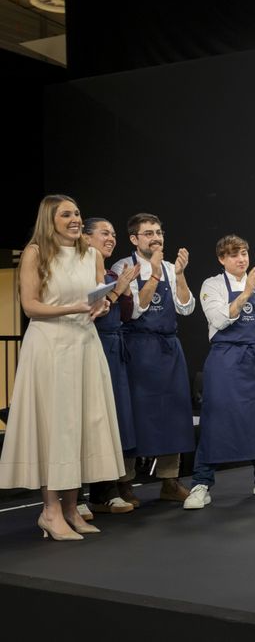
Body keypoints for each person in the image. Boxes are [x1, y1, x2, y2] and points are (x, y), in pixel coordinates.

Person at [0, 195, 123, 540]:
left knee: (80, 424)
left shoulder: (91, 253)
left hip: (84, 344)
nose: (74, 219)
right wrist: (74, 307)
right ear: (49, 219)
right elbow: (30, 306)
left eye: (77, 213)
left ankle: (71, 509)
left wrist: (100, 306)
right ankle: (50, 512)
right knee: (54, 427)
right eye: (66, 214)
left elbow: (98, 296)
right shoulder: (35, 252)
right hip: (50, 346)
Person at [184, 235, 255, 510]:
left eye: (244, 253)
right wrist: (246, 293)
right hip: (225, 358)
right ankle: (201, 483)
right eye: (234, 254)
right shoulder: (212, 285)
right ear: (221, 259)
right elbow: (219, 319)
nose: (241, 259)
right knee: (216, 419)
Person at [112, 212, 195, 503]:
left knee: (174, 414)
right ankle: (124, 482)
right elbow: (135, 309)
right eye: (148, 233)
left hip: (168, 348)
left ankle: (169, 480)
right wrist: (156, 272)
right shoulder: (123, 267)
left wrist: (180, 275)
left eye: (159, 232)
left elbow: (186, 307)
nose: (156, 238)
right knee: (134, 415)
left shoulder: (172, 267)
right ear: (134, 239)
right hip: (137, 348)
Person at [83, 217, 141, 515]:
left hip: (114, 349)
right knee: (90, 419)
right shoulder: (79, 271)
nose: (111, 238)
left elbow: (126, 315)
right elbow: (92, 311)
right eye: (104, 233)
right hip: (90, 346)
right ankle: (77, 496)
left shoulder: (109, 272)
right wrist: (118, 290)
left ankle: (104, 491)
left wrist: (125, 292)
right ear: (86, 238)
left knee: (112, 420)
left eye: (113, 234)